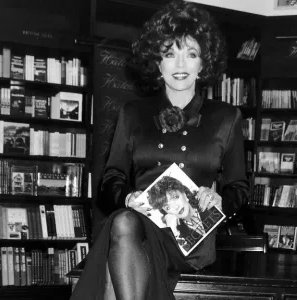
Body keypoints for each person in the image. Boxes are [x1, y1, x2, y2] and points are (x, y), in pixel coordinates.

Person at [70, 0, 249, 299]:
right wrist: (128, 197)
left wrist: (219, 199)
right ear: (157, 62)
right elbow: (110, 180)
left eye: (190, 54)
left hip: (190, 237)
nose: (180, 65)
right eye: (169, 54)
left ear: (204, 62)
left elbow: (240, 189)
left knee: (121, 235)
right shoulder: (132, 113)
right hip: (139, 228)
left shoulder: (226, 118)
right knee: (124, 221)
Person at [147, 175, 209, 253]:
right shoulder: (178, 231)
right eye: (167, 207)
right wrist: (174, 232)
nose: (175, 207)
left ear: (184, 193)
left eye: (175, 197)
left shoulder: (205, 203)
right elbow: (185, 255)